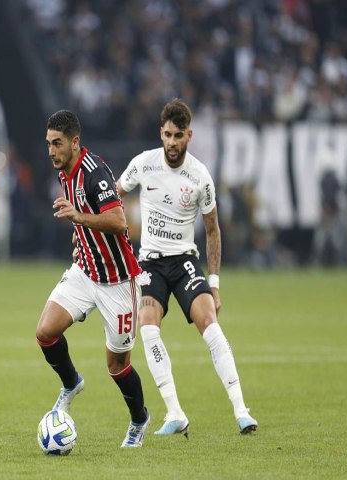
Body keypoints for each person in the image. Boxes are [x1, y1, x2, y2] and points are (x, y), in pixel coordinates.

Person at [117, 98, 258, 436]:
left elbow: (212, 229)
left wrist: (215, 283)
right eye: (167, 135)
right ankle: (174, 412)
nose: (172, 142)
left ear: (189, 136)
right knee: (147, 326)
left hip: (184, 263)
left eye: (178, 136)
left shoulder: (200, 177)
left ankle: (241, 410)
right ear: (160, 133)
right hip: (149, 262)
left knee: (209, 323)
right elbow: (114, 195)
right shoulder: (143, 164)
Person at [35, 110, 150, 448]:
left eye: (57, 144)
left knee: (116, 365)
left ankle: (139, 419)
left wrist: (78, 219)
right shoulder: (64, 171)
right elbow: (87, 222)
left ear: (75, 142)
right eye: (48, 144)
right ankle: (71, 383)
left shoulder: (94, 173)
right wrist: (80, 235)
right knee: (45, 332)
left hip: (118, 280)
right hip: (86, 270)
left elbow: (117, 221)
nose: (52, 151)